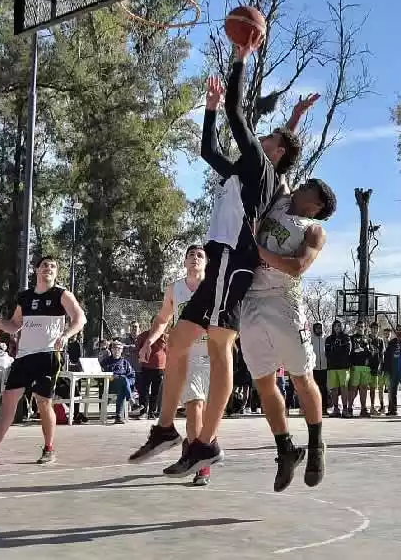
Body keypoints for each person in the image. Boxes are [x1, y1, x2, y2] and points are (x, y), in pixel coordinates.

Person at [128, 42, 313, 476]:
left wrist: (239, 58)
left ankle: (206, 442)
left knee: (218, 346)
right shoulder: (245, 171)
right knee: (177, 342)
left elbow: (238, 112)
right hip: (220, 259)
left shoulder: (263, 169)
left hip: (236, 258)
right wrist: (209, 109)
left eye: (268, 137)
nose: (259, 136)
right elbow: (209, 150)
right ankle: (166, 428)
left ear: (277, 151)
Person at [234, 177, 337, 491]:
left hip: (284, 301)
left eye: (310, 187)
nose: (302, 186)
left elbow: (297, 267)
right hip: (252, 300)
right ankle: (285, 449)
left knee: (301, 377)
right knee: (263, 381)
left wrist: (259, 249)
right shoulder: (279, 200)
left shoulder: (313, 229)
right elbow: (276, 164)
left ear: (316, 204)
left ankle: (317, 445)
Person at [0, 256, 86, 466]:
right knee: (8, 401)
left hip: (47, 354)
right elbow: (15, 324)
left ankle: (49, 449)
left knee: (43, 402)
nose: (48, 268)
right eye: (44, 265)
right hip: (23, 357)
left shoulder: (61, 294)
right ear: (36, 270)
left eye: (53, 266)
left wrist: (65, 335)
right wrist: (0, 324)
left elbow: (80, 318)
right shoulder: (25, 297)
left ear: (56, 273)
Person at [135, 245, 213, 485]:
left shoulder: (213, 287)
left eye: (200, 255)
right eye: (191, 255)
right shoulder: (175, 289)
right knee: (194, 406)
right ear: (184, 261)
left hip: (210, 354)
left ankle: (196, 454)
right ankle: (198, 461)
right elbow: (162, 319)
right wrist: (149, 339)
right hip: (183, 354)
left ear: (206, 263)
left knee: (204, 411)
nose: (195, 258)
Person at [132, 315, 167, 420]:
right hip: (146, 367)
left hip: (160, 368)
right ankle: (143, 411)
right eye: (154, 323)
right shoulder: (144, 335)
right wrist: (141, 357)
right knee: (144, 390)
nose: (156, 325)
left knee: (156, 391)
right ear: (151, 323)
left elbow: (169, 351)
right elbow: (137, 348)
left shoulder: (165, 336)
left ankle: (152, 412)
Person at [101, 341, 135, 424]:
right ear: (111, 350)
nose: (117, 351)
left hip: (121, 386)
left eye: (119, 349)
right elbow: (100, 375)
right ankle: (130, 401)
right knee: (123, 379)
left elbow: (132, 377)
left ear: (122, 350)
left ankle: (118, 417)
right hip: (109, 384)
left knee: (123, 385)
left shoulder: (125, 362)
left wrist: (127, 383)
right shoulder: (105, 361)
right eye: (115, 348)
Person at [325, 320, 351, 417]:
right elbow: (327, 353)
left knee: (344, 388)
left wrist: (336, 350)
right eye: (335, 326)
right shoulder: (328, 339)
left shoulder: (346, 337)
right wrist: (336, 350)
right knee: (334, 389)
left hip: (343, 367)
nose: (337, 328)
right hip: (332, 367)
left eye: (339, 326)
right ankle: (336, 409)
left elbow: (347, 350)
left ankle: (345, 409)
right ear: (333, 327)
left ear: (341, 327)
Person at [348, 320, 372, 417]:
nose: (360, 328)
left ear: (364, 327)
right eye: (358, 326)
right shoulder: (351, 338)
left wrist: (367, 351)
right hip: (355, 366)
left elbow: (370, 352)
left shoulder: (367, 339)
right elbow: (350, 352)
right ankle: (350, 408)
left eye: (362, 326)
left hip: (365, 367)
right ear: (356, 327)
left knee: (364, 388)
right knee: (353, 388)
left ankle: (363, 409)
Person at [367, 323, 385, 415]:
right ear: (370, 329)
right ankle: (351, 406)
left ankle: (372, 406)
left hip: (375, 368)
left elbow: (382, 355)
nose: (375, 330)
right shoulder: (366, 339)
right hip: (366, 368)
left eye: (376, 328)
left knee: (373, 388)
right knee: (360, 388)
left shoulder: (380, 341)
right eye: (373, 328)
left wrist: (381, 367)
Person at [310, 323, 328, 414]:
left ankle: (324, 408)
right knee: (314, 389)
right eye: (316, 328)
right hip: (314, 368)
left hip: (324, 368)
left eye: (320, 328)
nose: (318, 329)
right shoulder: (311, 339)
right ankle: (314, 408)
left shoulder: (326, 338)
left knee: (324, 389)